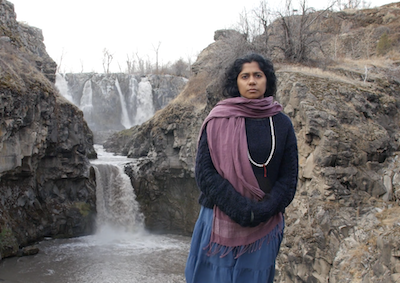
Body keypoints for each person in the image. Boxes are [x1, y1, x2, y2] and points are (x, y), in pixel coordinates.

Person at [185, 53, 298, 283]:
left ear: (267, 80)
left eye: (258, 75)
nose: (252, 81)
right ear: (235, 82)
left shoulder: (282, 123)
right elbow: (205, 174)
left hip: (264, 226)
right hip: (218, 220)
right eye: (244, 76)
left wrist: (263, 210)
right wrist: (241, 209)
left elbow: (289, 178)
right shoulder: (217, 120)